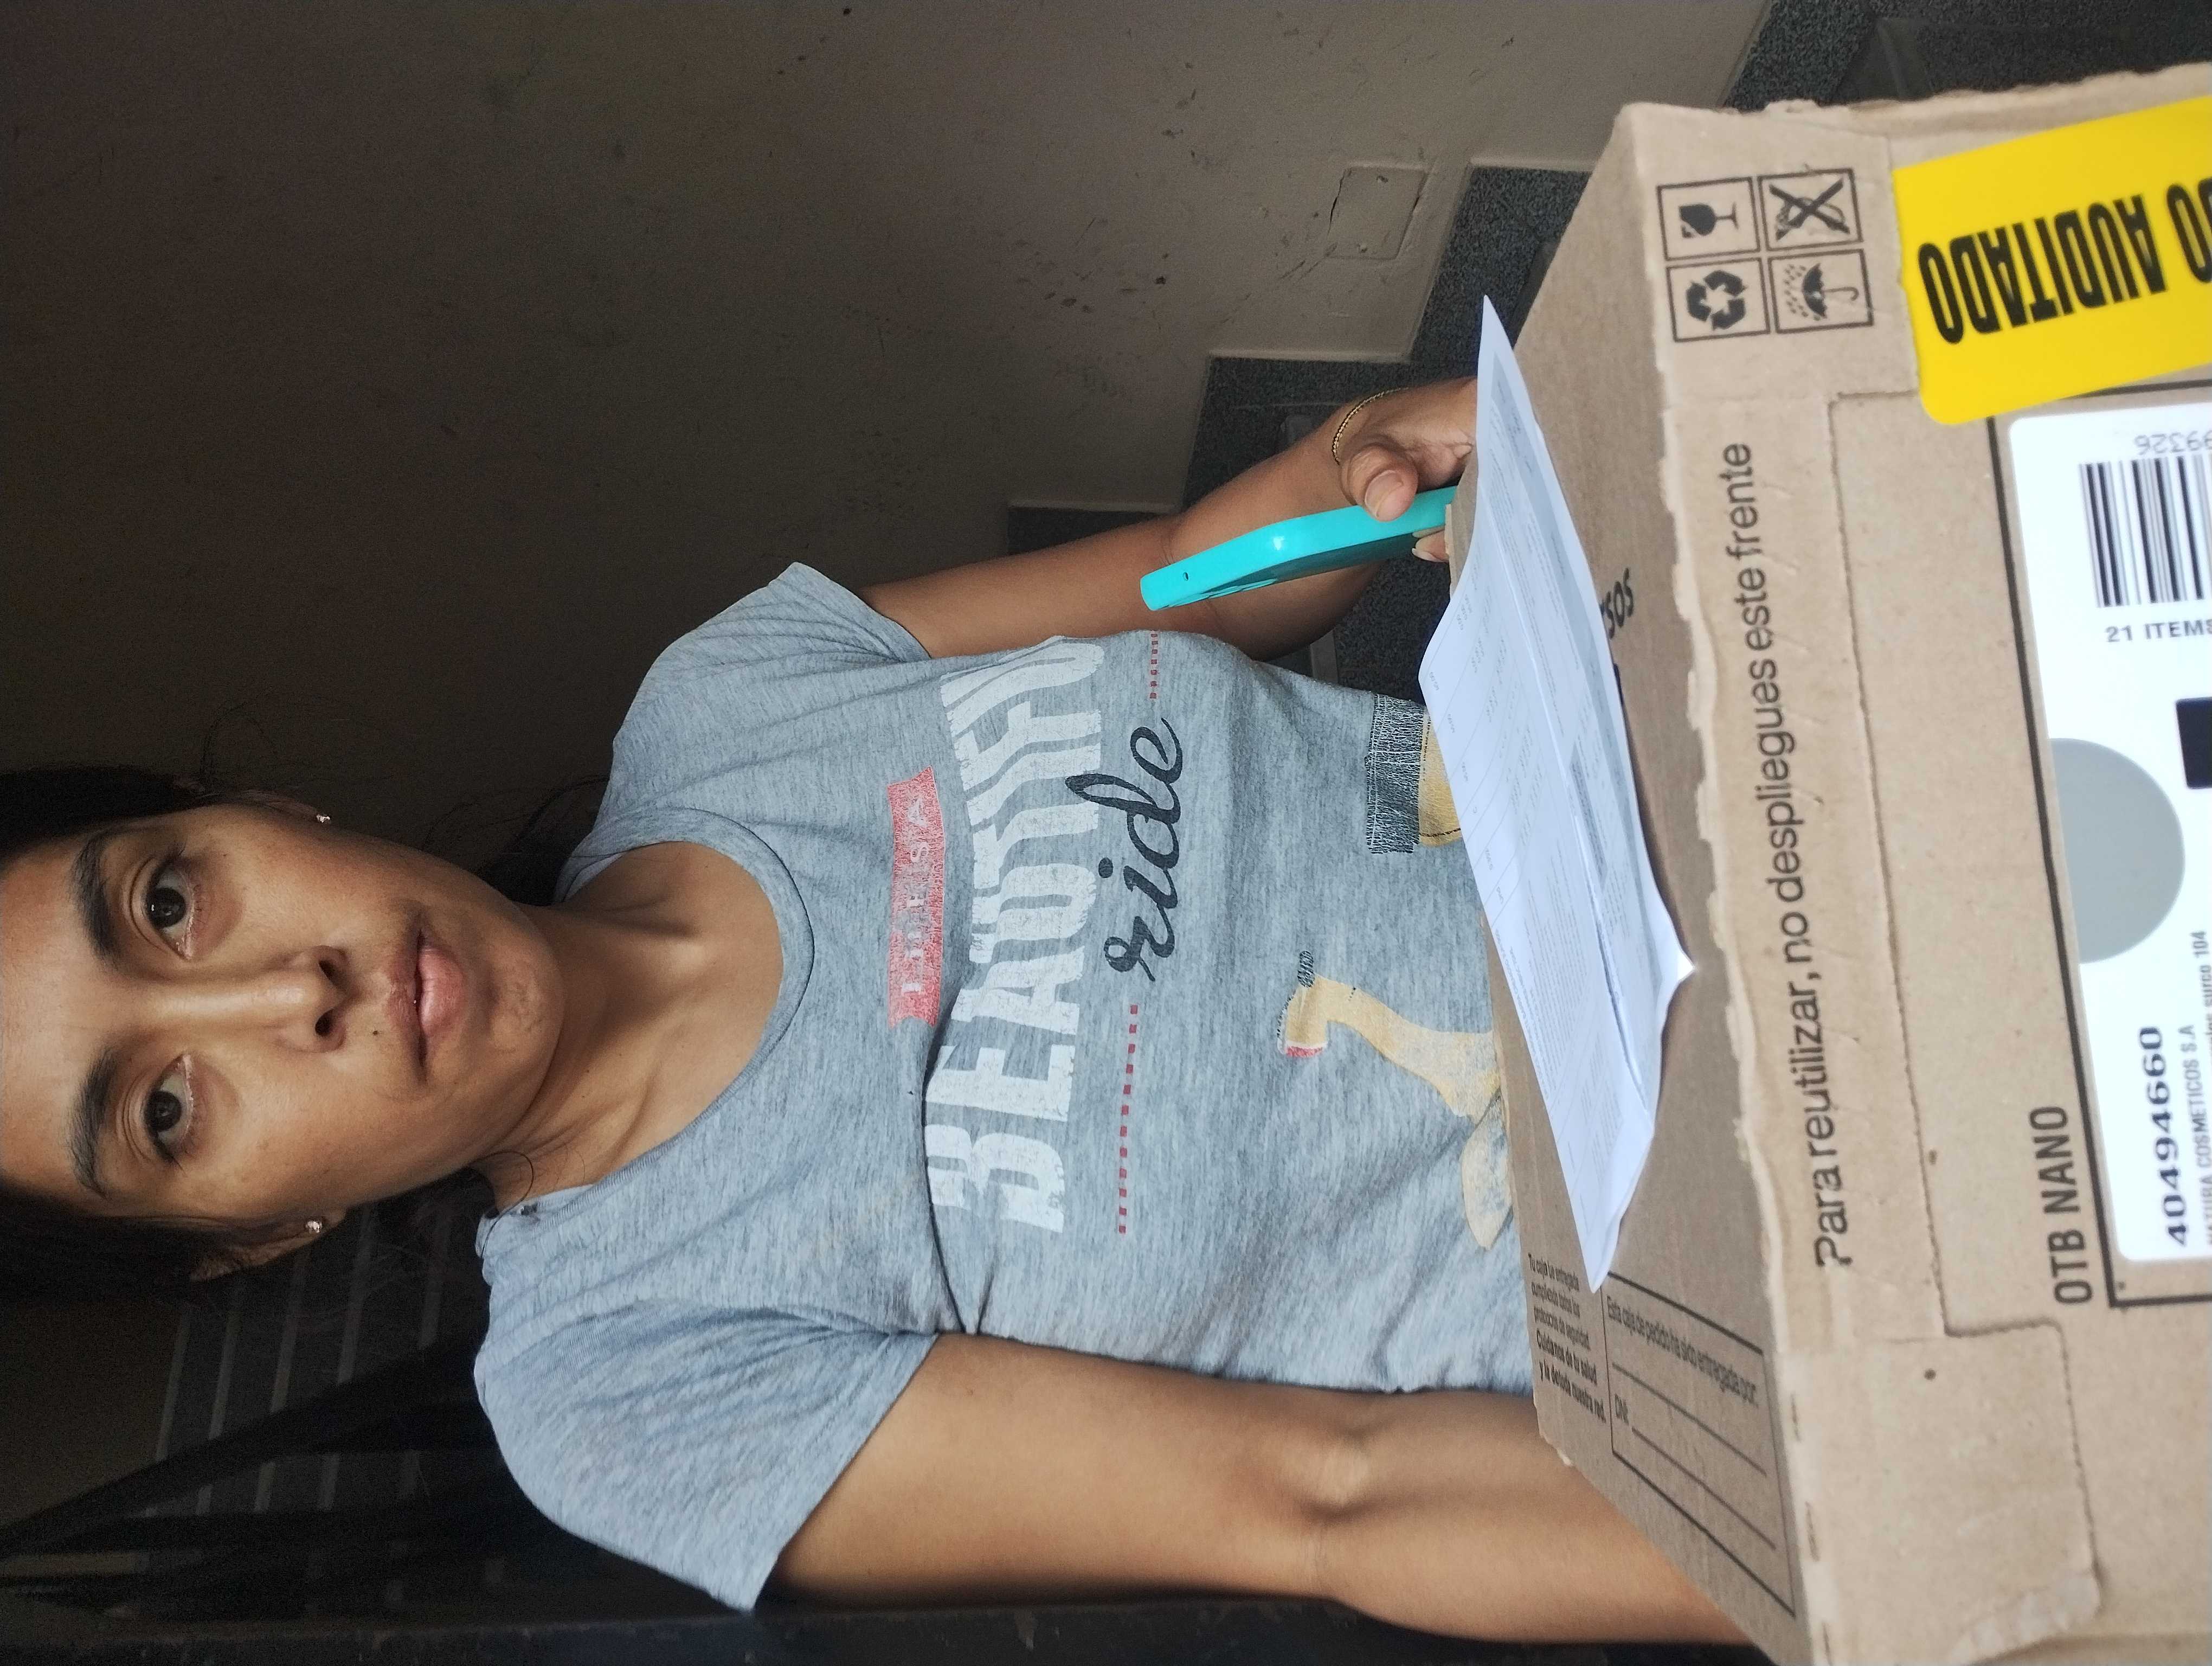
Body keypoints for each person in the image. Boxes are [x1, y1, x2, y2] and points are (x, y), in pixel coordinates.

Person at [0, 379, 1742, 1644]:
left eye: (168, 905)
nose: (286, 992)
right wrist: (1817, 1534)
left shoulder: (726, 697)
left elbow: (1198, 573)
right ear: (250, 1240)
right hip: (1737, 1226)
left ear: (256, 814)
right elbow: (1329, 1496)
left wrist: (1353, 464)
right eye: (166, 1109)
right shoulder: (618, 1381)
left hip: (1731, 791)